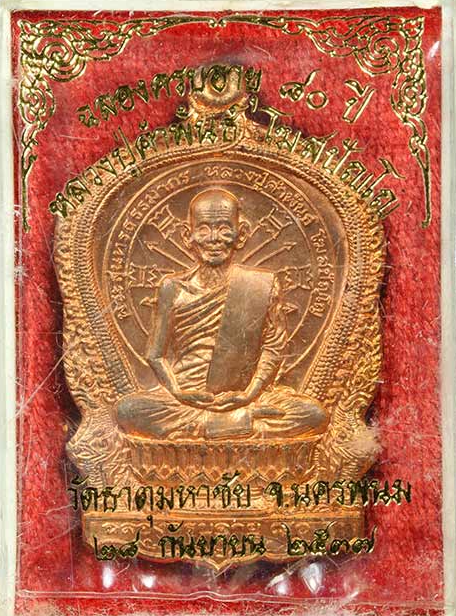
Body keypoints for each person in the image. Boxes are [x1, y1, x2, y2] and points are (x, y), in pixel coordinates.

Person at [116, 187, 328, 440]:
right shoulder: (172, 288)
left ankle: (208, 427)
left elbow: (273, 347)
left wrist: (250, 393)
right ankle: (240, 424)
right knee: (128, 410)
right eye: (204, 229)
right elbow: (155, 355)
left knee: (314, 414)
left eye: (225, 228)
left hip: (245, 396)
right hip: (185, 399)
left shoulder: (261, 285)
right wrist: (178, 392)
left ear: (241, 234)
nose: (214, 238)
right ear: (187, 236)